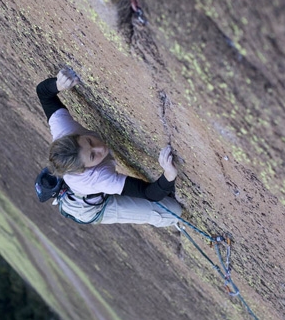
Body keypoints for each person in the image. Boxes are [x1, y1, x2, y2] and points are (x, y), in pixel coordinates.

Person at [36, 68, 182, 226]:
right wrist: (169, 174)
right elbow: (149, 193)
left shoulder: (64, 130)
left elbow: (43, 93)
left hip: (80, 186)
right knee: (173, 212)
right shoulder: (99, 178)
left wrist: (58, 84)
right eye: (93, 156)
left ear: (76, 136)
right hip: (89, 208)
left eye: (89, 142)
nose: (100, 148)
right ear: (83, 169)